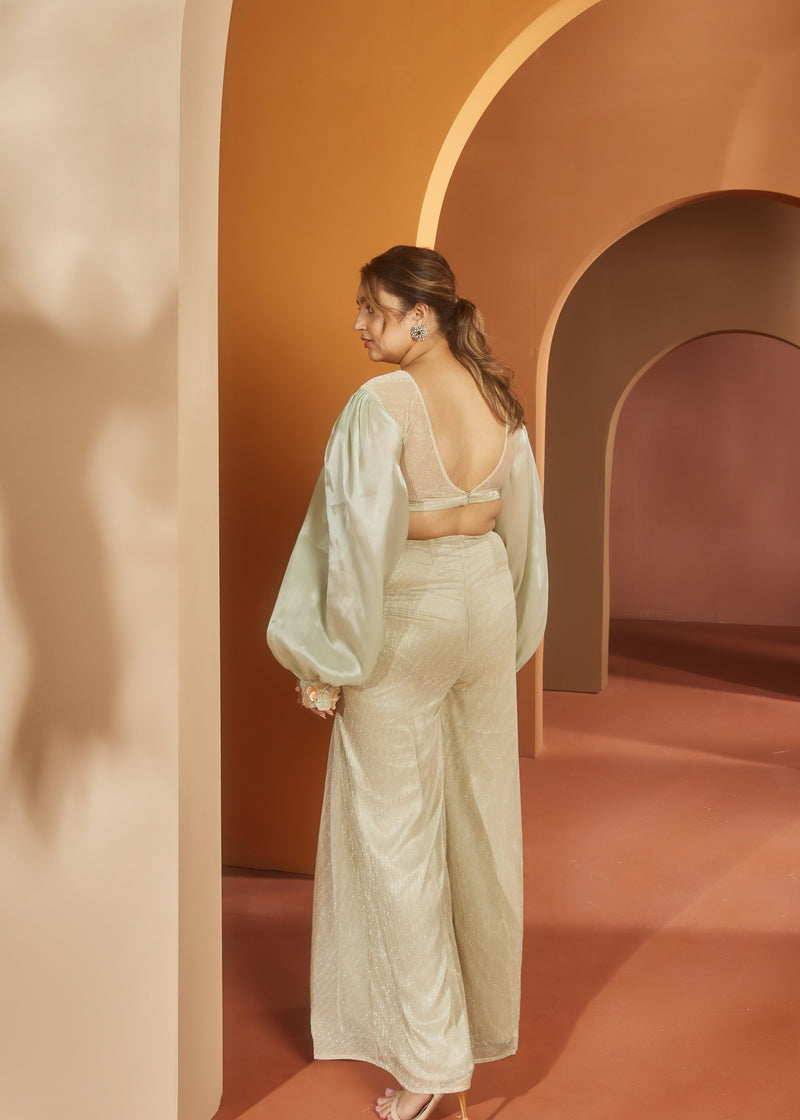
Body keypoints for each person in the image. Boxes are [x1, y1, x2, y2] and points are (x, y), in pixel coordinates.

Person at [267, 245, 547, 1120]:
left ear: (421, 315)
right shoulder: (499, 401)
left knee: (398, 842)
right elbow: (525, 538)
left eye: (373, 308)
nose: (359, 325)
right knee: (481, 826)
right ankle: (473, 1036)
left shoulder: (381, 404)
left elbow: (352, 543)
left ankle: (431, 1065)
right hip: (485, 602)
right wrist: (506, 633)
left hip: (408, 614)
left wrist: (328, 661)